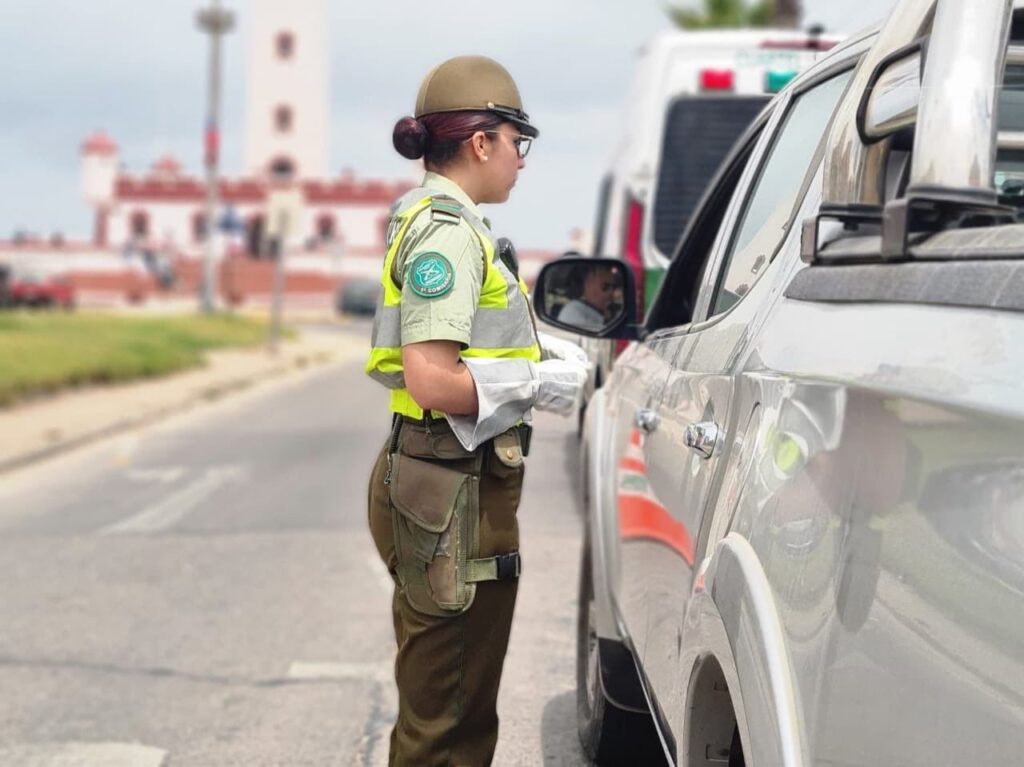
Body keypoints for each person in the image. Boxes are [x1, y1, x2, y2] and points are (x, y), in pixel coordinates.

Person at [364, 55, 589, 766]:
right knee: (448, 726)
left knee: (451, 706)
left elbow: (470, 341)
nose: (521, 159)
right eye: (518, 142)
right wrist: (532, 383)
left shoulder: (435, 219)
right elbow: (432, 379)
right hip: (451, 486)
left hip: (444, 480)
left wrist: (535, 354)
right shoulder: (450, 233)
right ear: (481, 141)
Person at [558, 263, 617, 330]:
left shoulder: (603, 311)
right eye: (605, 286)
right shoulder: (573, 311)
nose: (611, 292)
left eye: (613, 287)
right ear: (587, 286)